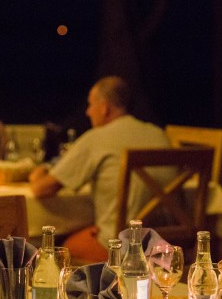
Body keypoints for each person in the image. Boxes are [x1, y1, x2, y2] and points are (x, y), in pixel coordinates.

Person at [29, 76, 171, 261]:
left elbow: (41, 189)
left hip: (117, 246)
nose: (88, 112)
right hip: (163, 242)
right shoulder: (158, 134)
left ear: (104, 108)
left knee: (58, 250)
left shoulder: (96, 138)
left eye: (90, 105)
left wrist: (36, 175)